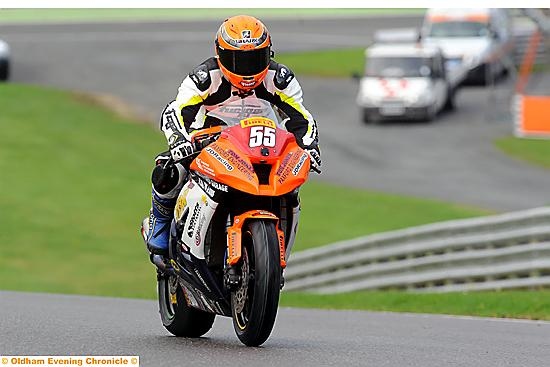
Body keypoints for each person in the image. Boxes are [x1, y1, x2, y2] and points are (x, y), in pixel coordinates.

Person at [144, 14, 321, 256]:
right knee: (168, 171)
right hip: (210, 144)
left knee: (291, 185)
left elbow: (301, 118)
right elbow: (176, 110)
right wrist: (180, 141)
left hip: (263, 145)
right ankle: (160, 222)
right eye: (237, 60)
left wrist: (309, 146)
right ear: (220, 56)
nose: (246, 69)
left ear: (269, 54)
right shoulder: (204, 78)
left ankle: (276, 247)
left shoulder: (279, 80)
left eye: (255, 59)